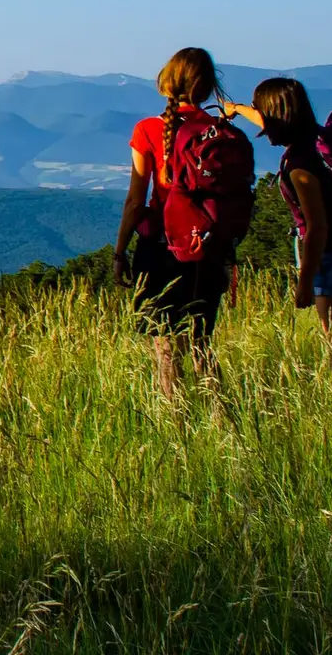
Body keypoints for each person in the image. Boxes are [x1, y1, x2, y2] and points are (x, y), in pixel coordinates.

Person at [224, 80, 332, 377]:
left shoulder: (300, 164)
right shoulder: (324, 140)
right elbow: (270, 117)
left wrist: (305, 283)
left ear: (276, 118)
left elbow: (316, 227)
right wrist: (237, 109)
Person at [112, 47, 236, 401]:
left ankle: (177, 428)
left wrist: (120, 251)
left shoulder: (149, 129)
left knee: (165, 348)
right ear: (208, 85)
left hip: (162, 249)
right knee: (201, 344)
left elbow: (136, 200)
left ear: (167, 81)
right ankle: (224, 422)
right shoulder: (218, 130)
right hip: (209, 248)